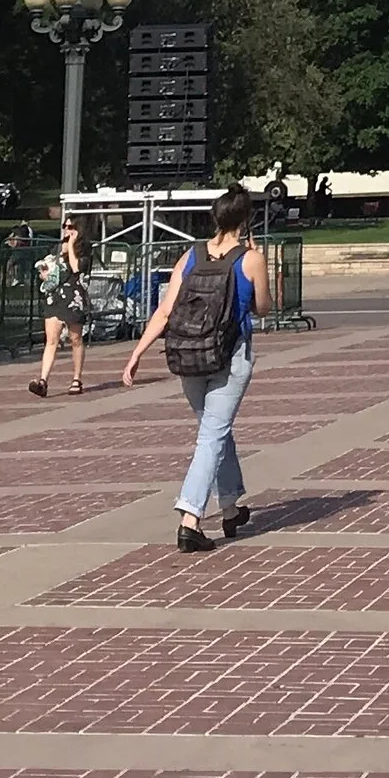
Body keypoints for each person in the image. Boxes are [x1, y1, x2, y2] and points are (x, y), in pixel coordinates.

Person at [122, 184, 269, 552]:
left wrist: (138, 352)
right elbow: (265, 308)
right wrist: (257, 265)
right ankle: (190, 517)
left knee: (216, 430)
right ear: (246, 219)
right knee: (212, 435)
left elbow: (167, 309)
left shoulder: (191, 255)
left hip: (188, 355)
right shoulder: (249, 259)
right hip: (230, 355)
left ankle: (231, 506)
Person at [30, 221, 91, 398]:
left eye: (71, 226)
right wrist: (45, 274)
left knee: (75, 338)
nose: (67, 230)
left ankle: (77, 378)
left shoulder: (84, 250)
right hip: (55, 298)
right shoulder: (57, 249)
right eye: (65, 226)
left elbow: (76, 268)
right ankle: (43, 380)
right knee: (51, 340)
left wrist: (71, 246)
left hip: (73, 297)